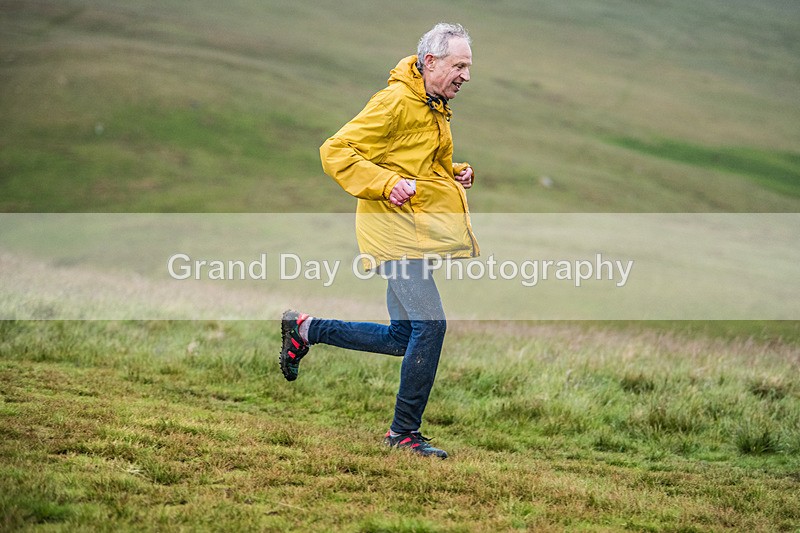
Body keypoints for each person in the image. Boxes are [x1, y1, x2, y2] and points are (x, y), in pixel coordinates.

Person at [279, 22, 479, 459]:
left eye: (468, 67)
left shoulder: (433, 105)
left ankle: (305, 329)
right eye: (459, 66)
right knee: (431, 325)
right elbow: (335, 151)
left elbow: (418, 162)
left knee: (403, 336)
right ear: (431, 62)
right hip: (394, 234)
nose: (466, 75)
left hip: (414, 232)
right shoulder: (394, 102)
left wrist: (454, 172)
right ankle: (403, 433)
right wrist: (386, 184)